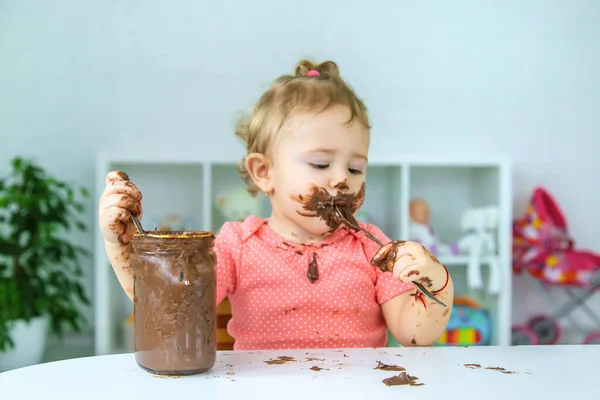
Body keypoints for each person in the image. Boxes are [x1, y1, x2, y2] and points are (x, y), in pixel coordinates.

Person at [98, 59, 454, 350]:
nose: (342, 179)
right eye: (319, 164)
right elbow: (177, 306)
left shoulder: (371, 248)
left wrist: (436, 283)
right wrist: (123, 249)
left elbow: (415, 335)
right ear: (264, 172)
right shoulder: (238, 245)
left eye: (356, 167)